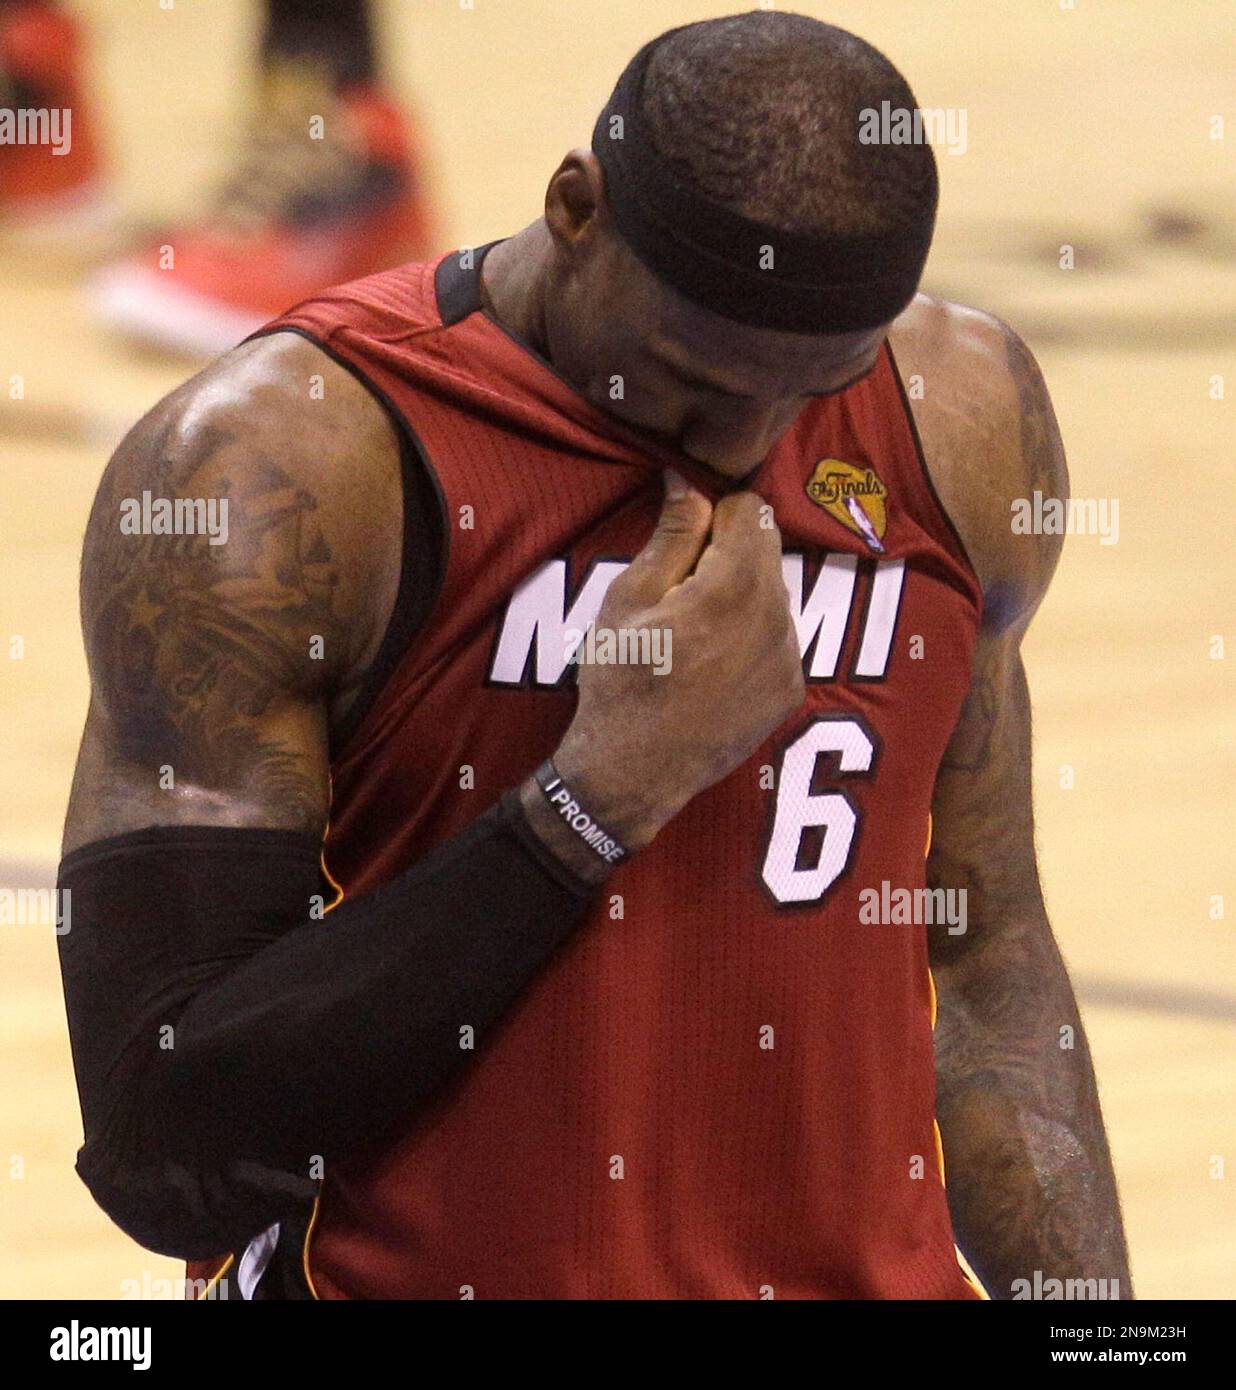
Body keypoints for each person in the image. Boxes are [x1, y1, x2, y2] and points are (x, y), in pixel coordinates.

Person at [57, 11, 1131, 1300]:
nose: (744, 444)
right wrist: (589, 805)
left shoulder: (962, 421)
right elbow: (168, 1151)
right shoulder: (284, 472)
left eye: (808, 387)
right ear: (577, 206)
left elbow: (990, 952)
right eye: (694, 377)